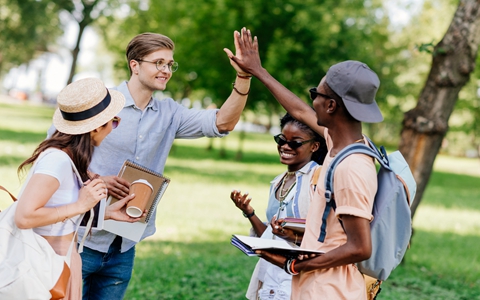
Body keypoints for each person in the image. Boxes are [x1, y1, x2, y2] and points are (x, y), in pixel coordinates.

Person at [45, 30, 252, 299]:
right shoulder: (98, 102)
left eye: (170, 64)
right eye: (158, 63)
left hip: (122, 247)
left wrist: (244, 76)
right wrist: (92, 179)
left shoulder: (170, 113)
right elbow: (53, 154)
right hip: (79, 237)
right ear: (135, 65)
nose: (166, 70)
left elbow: (223, 122)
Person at [229, 28, 383, 299]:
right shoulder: (342, 145)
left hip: (330, 290)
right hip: (317, 286)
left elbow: (360, 247)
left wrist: (295, 264)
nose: (312, 101)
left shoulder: (352, 166)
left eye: (316, 93)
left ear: (332, 106)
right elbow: (299, 111)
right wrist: (258, 71)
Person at [15, 78, 143, 299]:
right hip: (43, 266)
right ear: (95, 128)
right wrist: (80, 204)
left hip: (60, 260)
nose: (113, 129)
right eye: (114, 122)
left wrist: (105, 213)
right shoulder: (58, 161)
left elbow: (57, 208)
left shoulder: (71, 160)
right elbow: (24, 217)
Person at [230, 112, 327, 300]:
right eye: (281, 140)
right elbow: (268, 237)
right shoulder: (278, 182)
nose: (285, 146)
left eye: (295, 142)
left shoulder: (319, 179)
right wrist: (249, 212)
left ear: (315, 146)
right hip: (273, 276)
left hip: (304, 276)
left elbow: (329, 236)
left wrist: (294, 236)